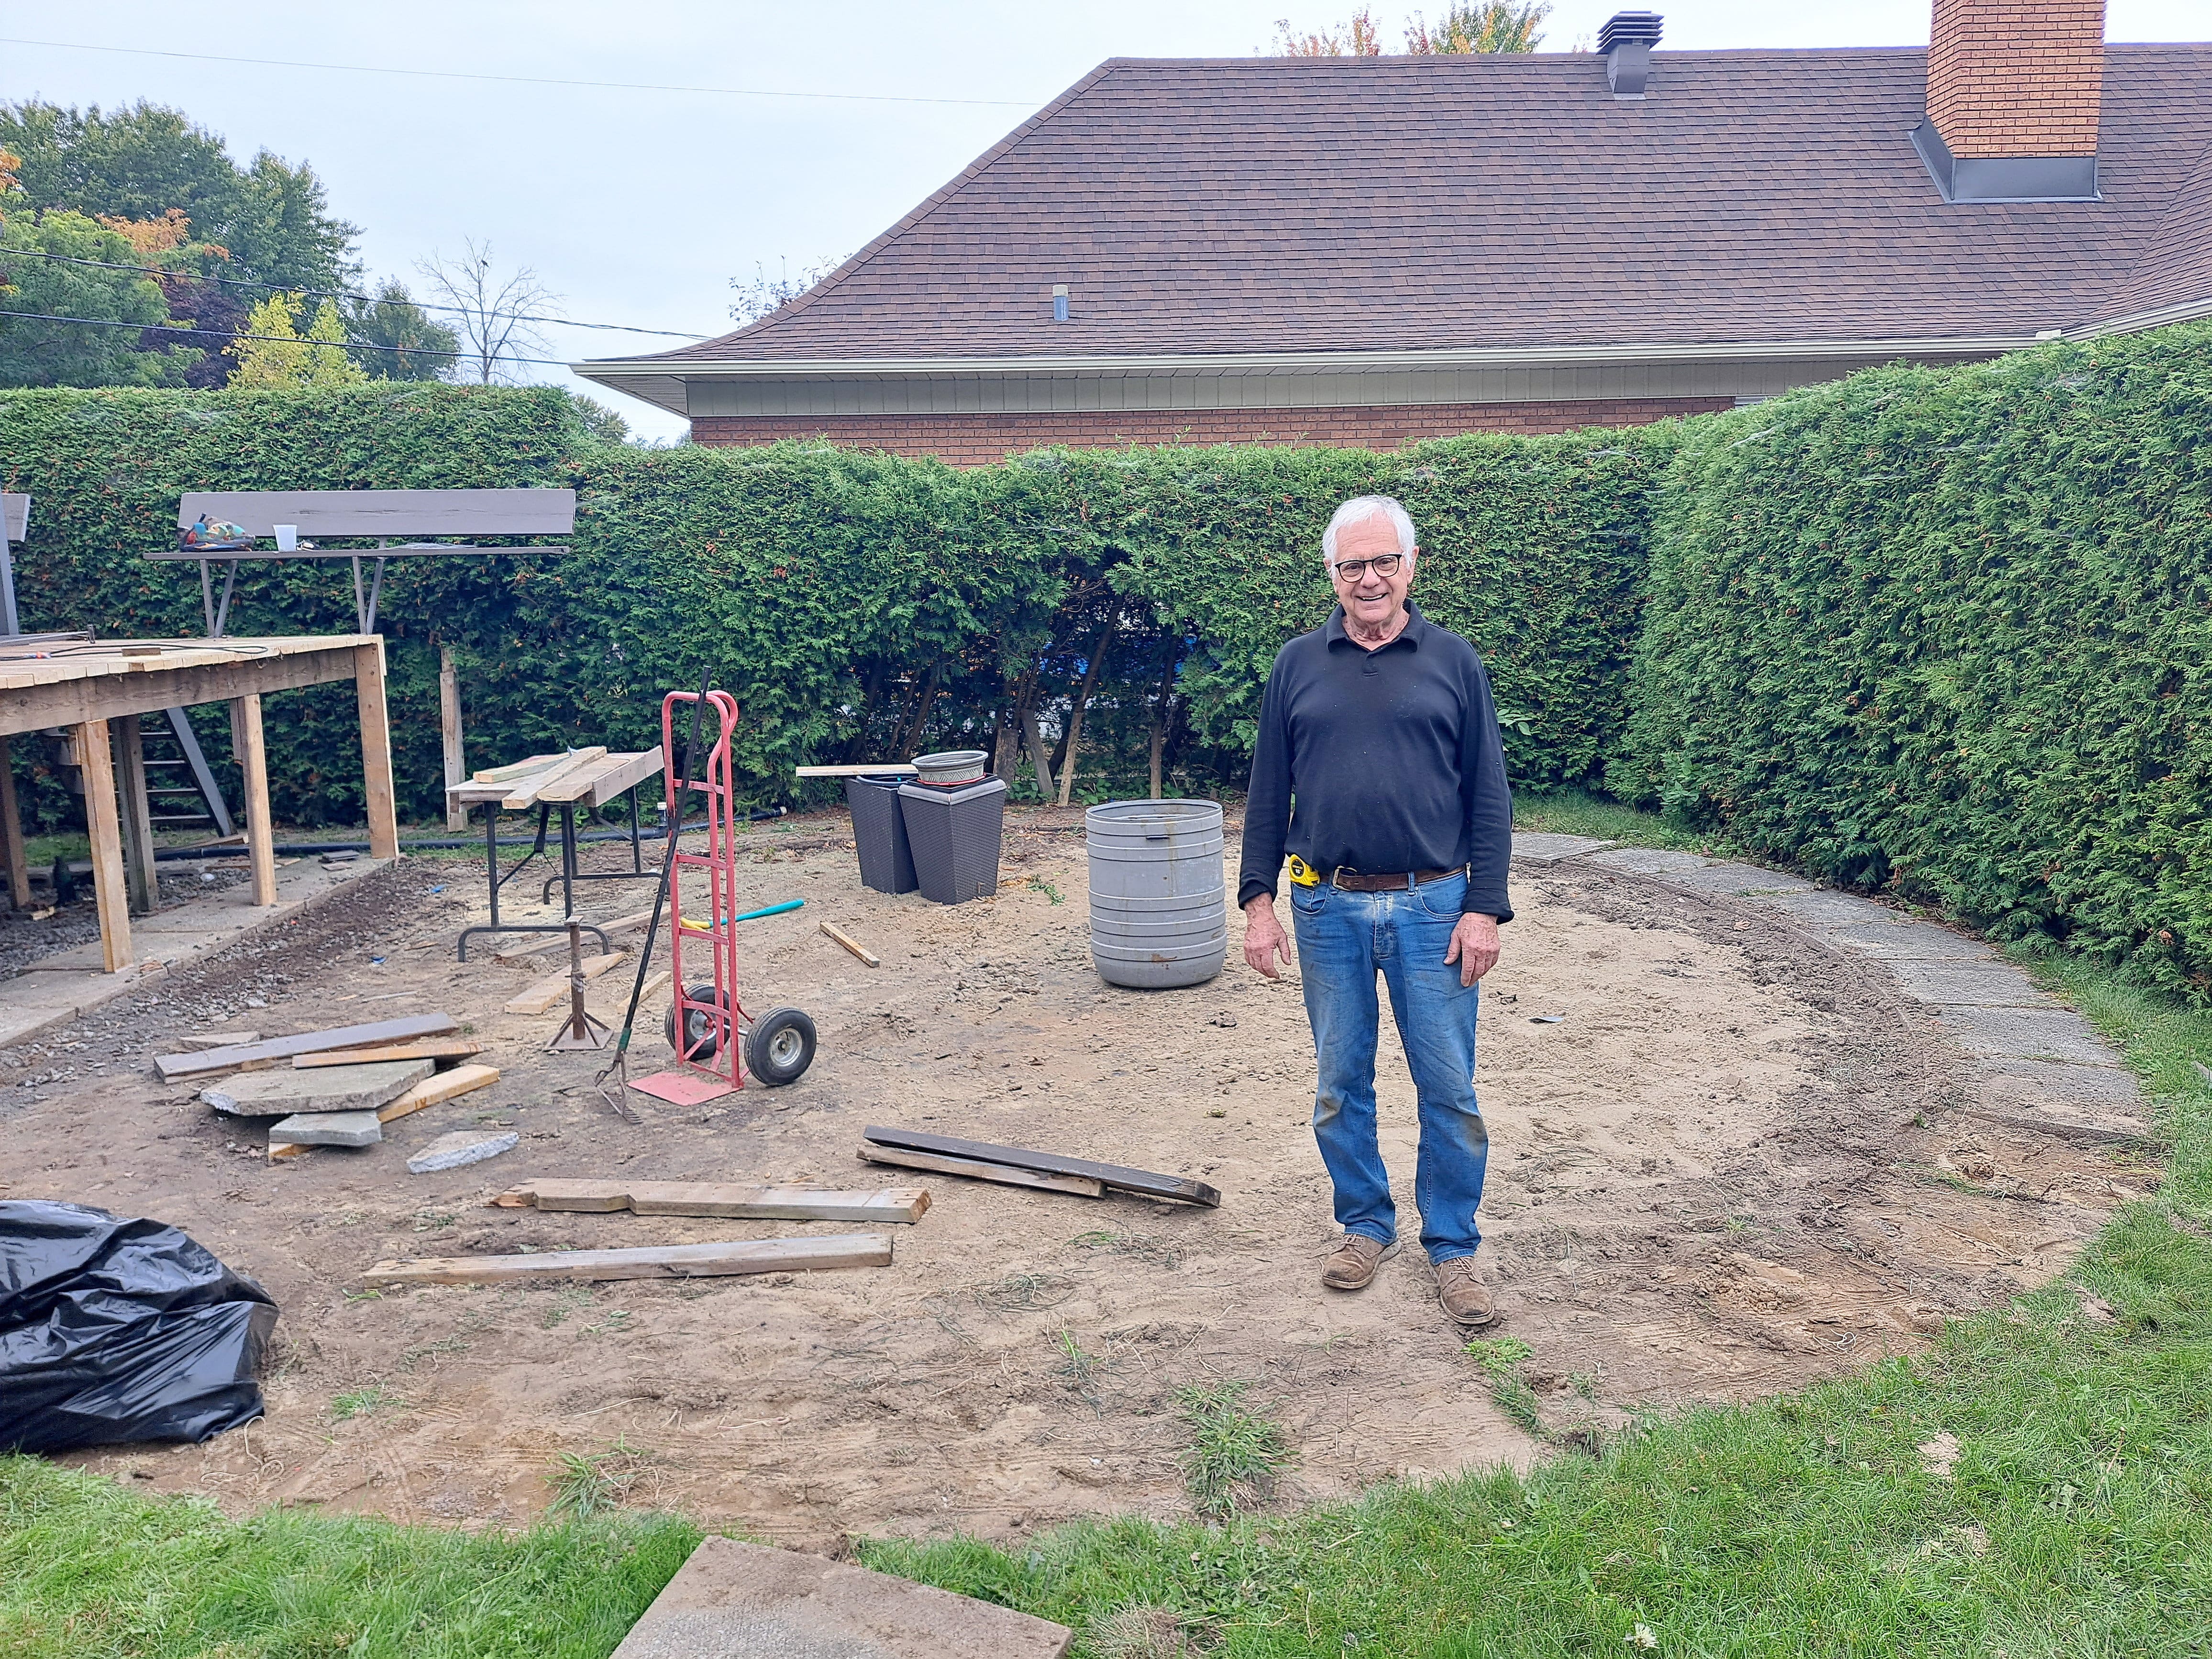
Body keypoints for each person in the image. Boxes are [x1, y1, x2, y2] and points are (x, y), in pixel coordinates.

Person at [1238, 495, 1512, 1328]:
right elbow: (1265, 793)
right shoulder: (1297, 663)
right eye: (1353, 565)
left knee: (1449, 1088)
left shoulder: (1453, 661)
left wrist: (1485, 909)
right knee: (1338, 1085)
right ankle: (1364, 1226)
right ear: (1333, 574)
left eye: (1384, 561)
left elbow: (1489, 795)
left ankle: (1454, 1247)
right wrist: (1259, 901)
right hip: (1326, 907)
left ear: (1411, 566)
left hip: (1435, 907)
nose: (1369, 578)